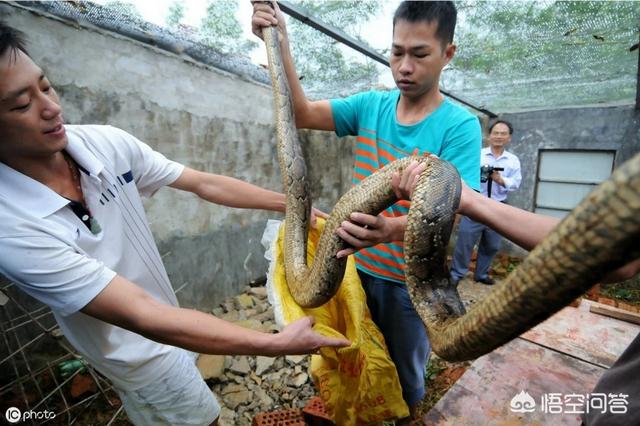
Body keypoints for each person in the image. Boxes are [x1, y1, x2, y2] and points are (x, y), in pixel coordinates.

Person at [0, 21, 350, 426]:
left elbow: (202, 183)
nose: (51, 107)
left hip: (165, 320)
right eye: (21, 105)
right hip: (138, 353)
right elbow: (142, 315)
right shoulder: (11, 228)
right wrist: (274, 344)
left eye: (46, 86)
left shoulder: (105, 144)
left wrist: (292, 206)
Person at [252, 1, 481, 420]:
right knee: (354, 360)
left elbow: (461, 209)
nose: (404, 66)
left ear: (448, 53)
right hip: (350, 271)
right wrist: (279, 39)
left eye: (420, 53)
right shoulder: (370, 106)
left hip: (404, 284)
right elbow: (300, 114)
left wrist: (391, 230)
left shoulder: (459, 126)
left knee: (404, 374)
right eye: (397, 53)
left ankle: (408, 417)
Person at [393, 159, 640, 426]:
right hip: (612, 408)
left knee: (486, 252)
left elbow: (616, 255)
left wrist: (473, 202)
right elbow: (618, 256)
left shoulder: (502, 157)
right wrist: (473, 202)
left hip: (618, 412)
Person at [450, 119, 522, 286]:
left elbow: (516, 183)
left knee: (492, 245)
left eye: (503, 133)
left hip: (498, 206)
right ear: (489, 136)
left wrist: (499, 179)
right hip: (475, 205)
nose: (498, 136)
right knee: (465, 242)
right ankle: (456, 274)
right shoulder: (478, 155)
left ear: (509, 138)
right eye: (495, 133)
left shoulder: (512, 160)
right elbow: (464, 177)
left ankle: (481, 274)